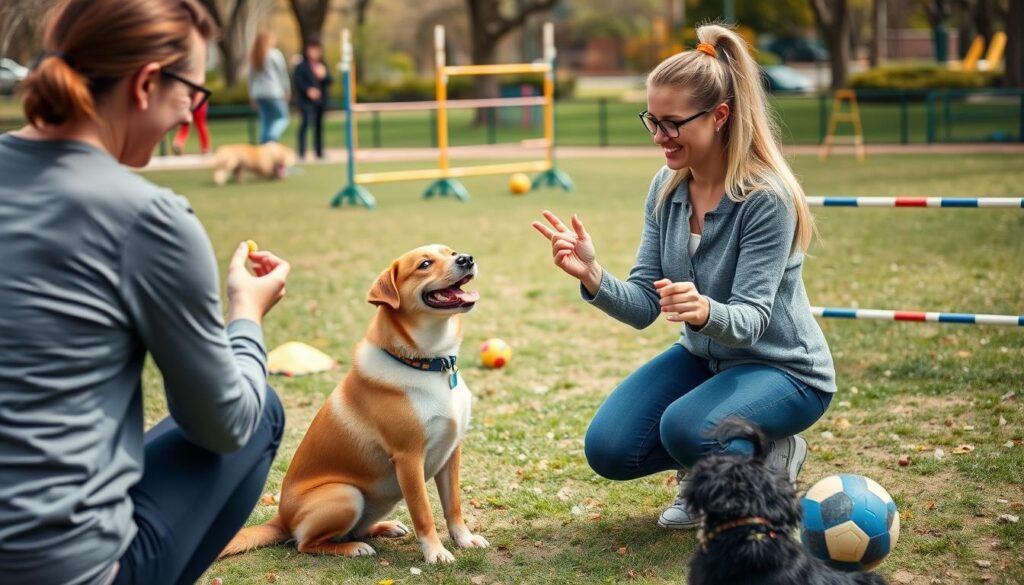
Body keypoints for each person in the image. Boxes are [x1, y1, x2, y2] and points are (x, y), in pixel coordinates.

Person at [0, 1, 291, 584]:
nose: (189, 118)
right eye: (193, 96)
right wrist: (246, 317)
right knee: (261, 413)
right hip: (58, 569)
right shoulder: (147, 217)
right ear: (147, 84)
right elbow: (223, 425)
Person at [532, 24, 836, 530]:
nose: (658, 136)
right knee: (609, 449)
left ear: (719, 116)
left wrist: (705, 310)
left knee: (687, 426)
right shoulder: (666, 188)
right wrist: (593, 275)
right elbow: (644, 305)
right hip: (707, 361)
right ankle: (730, 457)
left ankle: (754, 467)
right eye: (651, 120)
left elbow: (754, 321)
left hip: (784, 371)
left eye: (672, 124)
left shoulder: (766, 198)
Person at [293, 38, 332, 160]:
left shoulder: (322, 65)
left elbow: (329, 81)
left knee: (319, 126)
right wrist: (308, 90)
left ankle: (319, 152)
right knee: (305, 124)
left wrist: (324, 76)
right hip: (306, 101)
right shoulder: (301, 66)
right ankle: (302, 152)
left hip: (320, 101)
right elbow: (298, 81)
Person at [248, 31, 290, 144]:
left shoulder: (254, 55)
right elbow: (283, 74)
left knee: (265, 121)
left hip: (259, 94)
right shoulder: (274, 54)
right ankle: (272, 137)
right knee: (283, 118)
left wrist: (251, 96)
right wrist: (287, 90)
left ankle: (264, 144)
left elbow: (251, 78)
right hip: (274, 92)